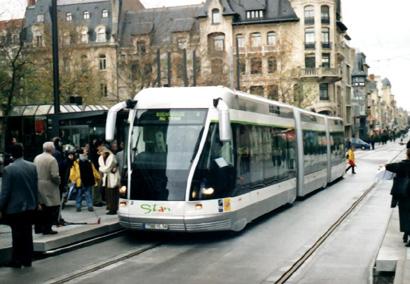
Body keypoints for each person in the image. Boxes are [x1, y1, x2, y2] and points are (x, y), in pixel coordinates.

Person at [0, 143, 38, 268]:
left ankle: (17, 259)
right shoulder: (32, 167)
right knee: (27, 233)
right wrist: (36, 202)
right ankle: (27, 258)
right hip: (30, 206)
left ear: (12, 154)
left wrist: (0, 206)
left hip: (15, 207)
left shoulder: (8, 169)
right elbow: (35, 187)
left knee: (16, 234)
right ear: (22, 152)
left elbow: (5, 192)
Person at [33, 142, 61, 235]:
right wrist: (59, 182)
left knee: (41, 207)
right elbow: (54, 175)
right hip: (49, 186)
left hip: (38, 184)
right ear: (52, 149)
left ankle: (39, 227)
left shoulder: (37, 157)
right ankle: (47, 228)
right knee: (51, 208)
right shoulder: (52, 159)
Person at [386, 149, 410, 246]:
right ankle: (407, 233)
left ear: (407, 155)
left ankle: (406, 233)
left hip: (404, 194)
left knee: (405, 215)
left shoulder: (402, 165)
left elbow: (388, 166)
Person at [98, 146, 120, 215]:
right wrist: (103, 169)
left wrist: (101, 169)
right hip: (107, 178)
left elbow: (107, 168)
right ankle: (110, 207)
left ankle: (113, 209)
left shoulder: (111, 157)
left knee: (113, 193)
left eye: (101, 151)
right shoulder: (101, 158)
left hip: (112, 178)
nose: (101, 153)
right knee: (108, 194)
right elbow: (105, 168)